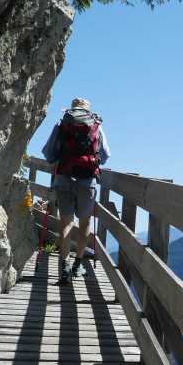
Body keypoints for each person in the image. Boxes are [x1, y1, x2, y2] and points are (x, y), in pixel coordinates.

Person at [40, 97, 110, 285]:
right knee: (85, 222)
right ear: (88, 110)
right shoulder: (96, 125)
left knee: (66, 223)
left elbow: (47, 152)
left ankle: (64, 268)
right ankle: (78, 265)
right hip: (87, 180)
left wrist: (59, 161)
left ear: (71, 109)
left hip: (64, 177)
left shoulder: (62, 124)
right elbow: (105, 155)